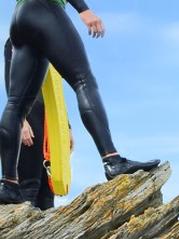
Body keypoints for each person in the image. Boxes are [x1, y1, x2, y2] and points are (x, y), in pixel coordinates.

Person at [0, 0, 161, 205]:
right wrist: (83, 9)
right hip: (45, 8)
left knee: (16, 104)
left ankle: (8, 185)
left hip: (20, 17)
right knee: (83, 81)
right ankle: (112, 160)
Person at [3, 38, 61, 210]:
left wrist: (66, 126)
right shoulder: (17, 38)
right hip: (28, 114)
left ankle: (48, 236)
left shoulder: (51, 43)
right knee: (28, 187)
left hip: (49, 119)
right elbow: (11, 81)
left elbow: (56, 92)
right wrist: (21, 121)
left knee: (48, 190)